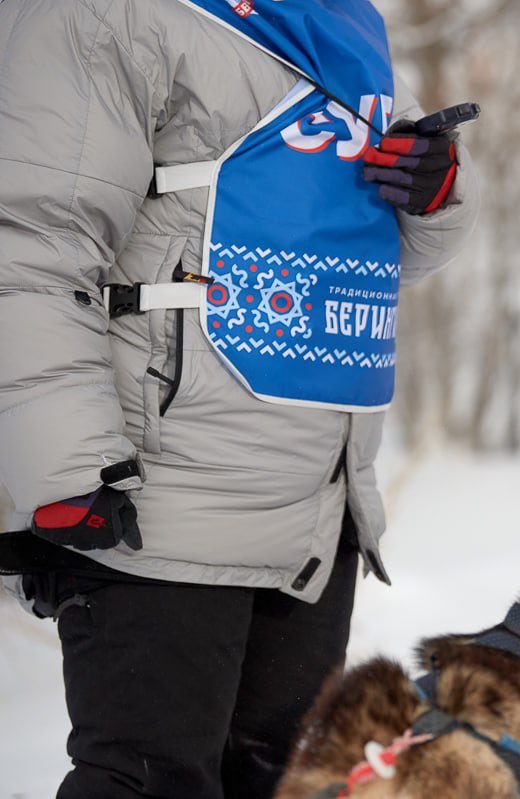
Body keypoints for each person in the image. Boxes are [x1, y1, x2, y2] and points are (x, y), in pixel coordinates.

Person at [0, 0, 479, 796]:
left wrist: (434, 195)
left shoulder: (342, 25)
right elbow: (29, 240)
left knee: (288, 784)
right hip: (161, 493)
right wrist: (61, 465)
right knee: (152, 781)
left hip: (316, 507)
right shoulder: (107, 12)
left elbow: (345, 251)